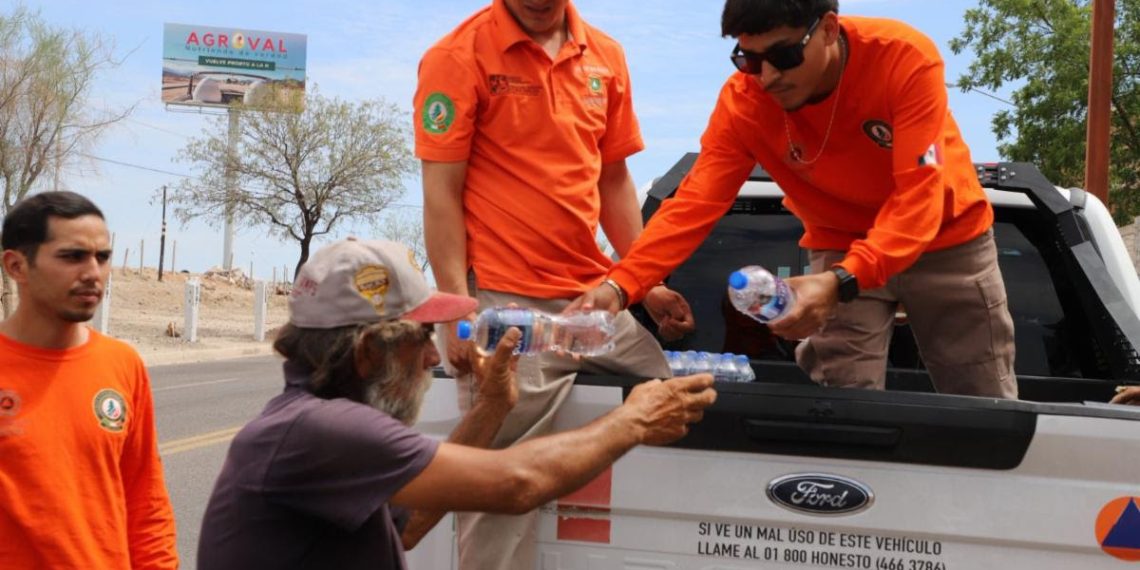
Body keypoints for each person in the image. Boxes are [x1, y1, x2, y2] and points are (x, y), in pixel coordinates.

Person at [571, 0, 1018, 400]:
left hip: (946, 238)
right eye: (748, 59)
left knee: (984, 400)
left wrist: (842, 281)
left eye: (784, 56)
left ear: (828, 29)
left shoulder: (903, 58)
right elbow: (694, 204)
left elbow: (921, 193)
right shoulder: (742, 102)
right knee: (841, 402)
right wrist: (620, 286)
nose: (767, 77)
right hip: (839, 241)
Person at [196, 238, 716, 570]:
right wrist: (633, 420)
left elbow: (410, 526)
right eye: (421, 337)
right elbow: (518, 484)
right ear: (368, 351)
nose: (432, 357)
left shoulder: (312, 425)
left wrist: (490, 409)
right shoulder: (323, 430)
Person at [414, 1, 698, 567]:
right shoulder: (457, 56)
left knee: (681, 403)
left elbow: (613, 180)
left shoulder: (606, 57)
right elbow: (441, 193)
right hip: (507, 303)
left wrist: (646, 283)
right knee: (499, 493)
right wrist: (456, 310)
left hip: (593, 303)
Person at [0, 192, 178, 569]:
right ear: (16, 266)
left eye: (103, 257)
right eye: (72, 256)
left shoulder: (122, 363)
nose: (93, 273)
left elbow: (146, 501)